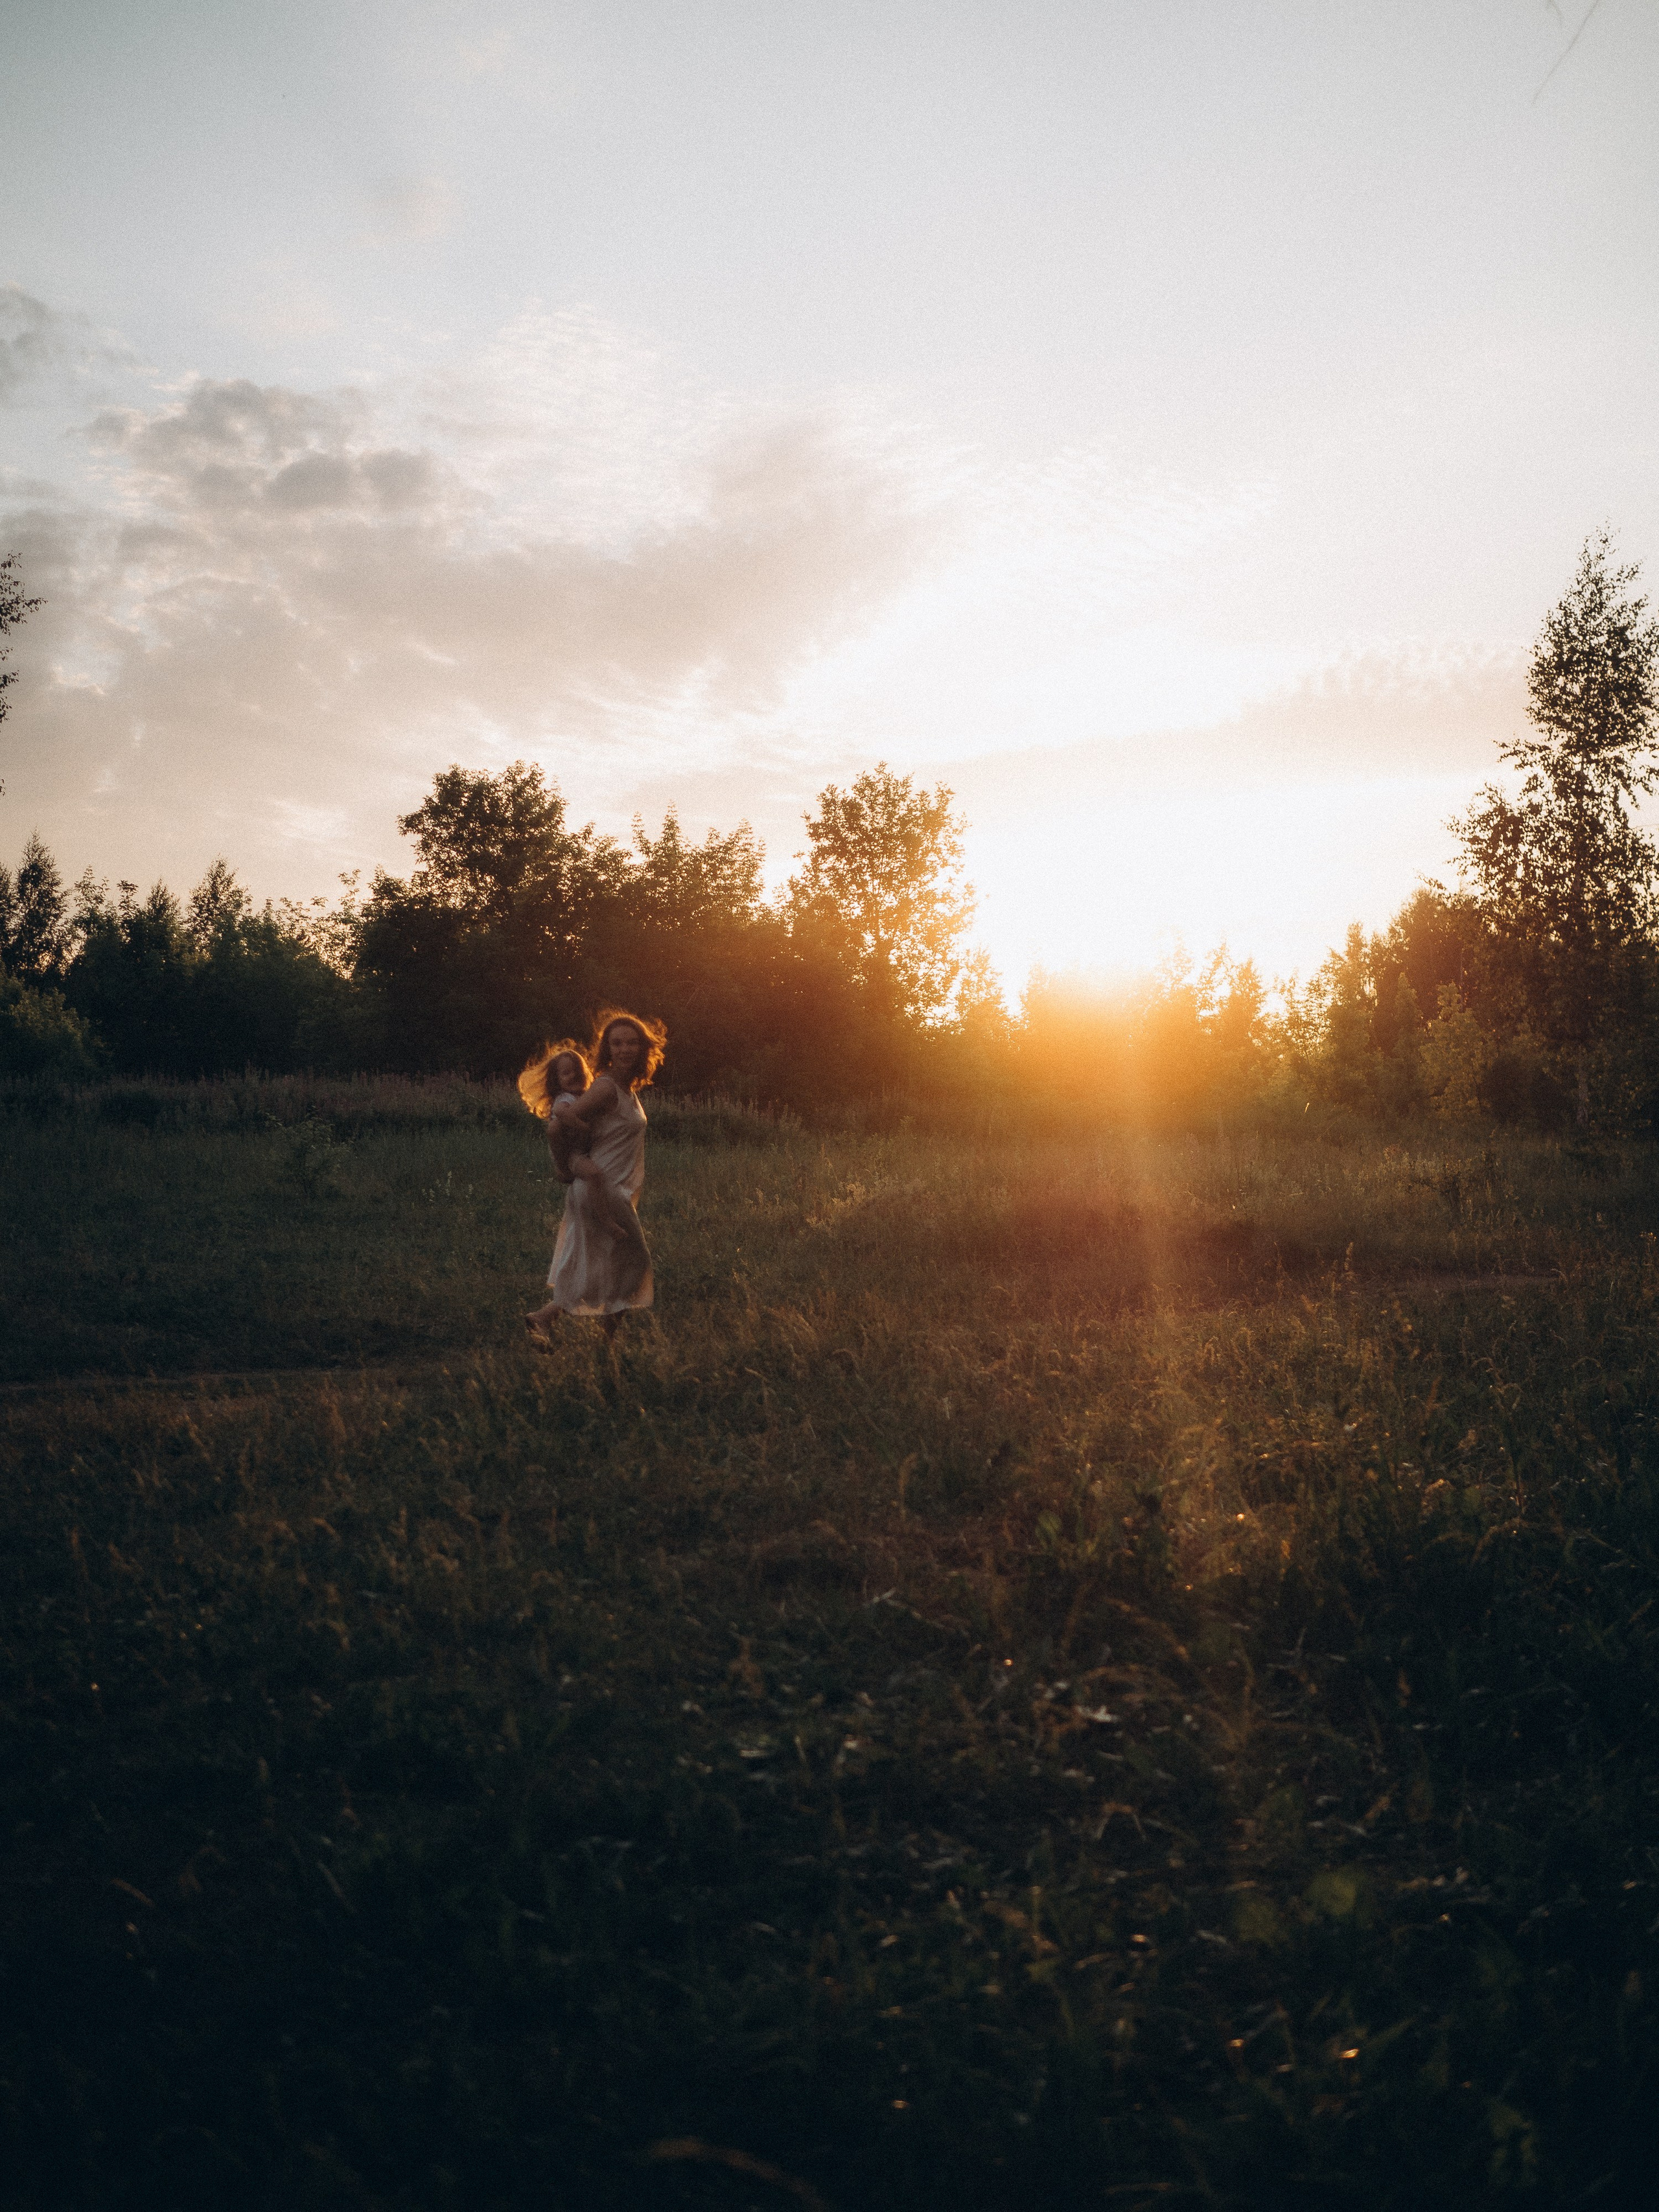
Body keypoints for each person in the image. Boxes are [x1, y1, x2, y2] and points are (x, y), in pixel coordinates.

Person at [523, 1010, 665, 1345]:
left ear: (644, 1048)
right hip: (601, 1189)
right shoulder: (605, 1087)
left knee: (612, 1266)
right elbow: (559, 1125)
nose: (624, 1049)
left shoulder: (626, 1090)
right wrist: (566, 1167)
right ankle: (549, 1320)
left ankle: (600, 1343)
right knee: (632, 1264)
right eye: (616, 1043)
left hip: (615, 1188)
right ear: (607, 1049)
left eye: (632, 1042)